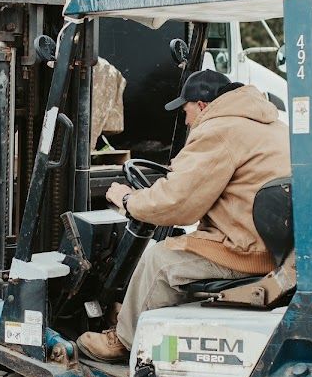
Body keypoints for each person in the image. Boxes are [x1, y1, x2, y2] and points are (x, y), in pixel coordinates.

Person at [76, 69, 291, 361]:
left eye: (186, 111)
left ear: (202, 105)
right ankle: (139, 316)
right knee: (181, 245)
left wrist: (128, 199)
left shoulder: (218, 129)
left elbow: (178, 204)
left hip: (244, 251)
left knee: (160, 259)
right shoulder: (269, 124)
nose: (187, 120)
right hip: (273, 246)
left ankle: (124, 341)